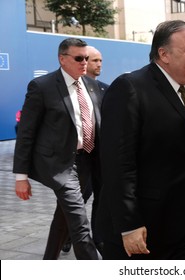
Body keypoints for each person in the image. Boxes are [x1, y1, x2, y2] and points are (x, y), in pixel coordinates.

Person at [97, 19, 185, 260]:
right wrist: (129, 224)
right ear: (164, 54)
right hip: (147, 227)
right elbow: (118, 164)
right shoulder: (130, 88)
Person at [13, 37, 102, 260]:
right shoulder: (42, 87)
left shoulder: (91, 85)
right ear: (62, 59)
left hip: (87, 160)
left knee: (64, 217)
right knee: (80, 224)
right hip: (60, 166)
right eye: (79, 58)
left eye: (87, 58)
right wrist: (20, 176)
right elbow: (26, 133)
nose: (85, 63)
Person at [61, 45, 108, 254]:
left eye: (100, 61)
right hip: (77, 158)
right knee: (78, 199)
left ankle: (99, 238)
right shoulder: (65, 90)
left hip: (100, 156)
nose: (99, 65)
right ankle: (67, 234)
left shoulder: (106, 89)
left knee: (102, 196)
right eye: (94, 60)